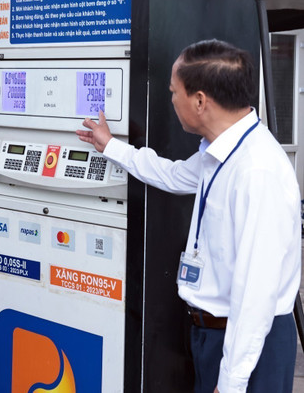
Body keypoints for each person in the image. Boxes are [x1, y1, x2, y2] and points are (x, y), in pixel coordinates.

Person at [76, 39, 300, 393]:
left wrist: (232, 381)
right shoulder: (222, 150)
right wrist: (111, 146)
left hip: (249, 345)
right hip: (211, 334)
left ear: (199, 101)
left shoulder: (257, 170)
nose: (171, 100)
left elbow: (256, 293)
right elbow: (175, 175)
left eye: (173, 91)